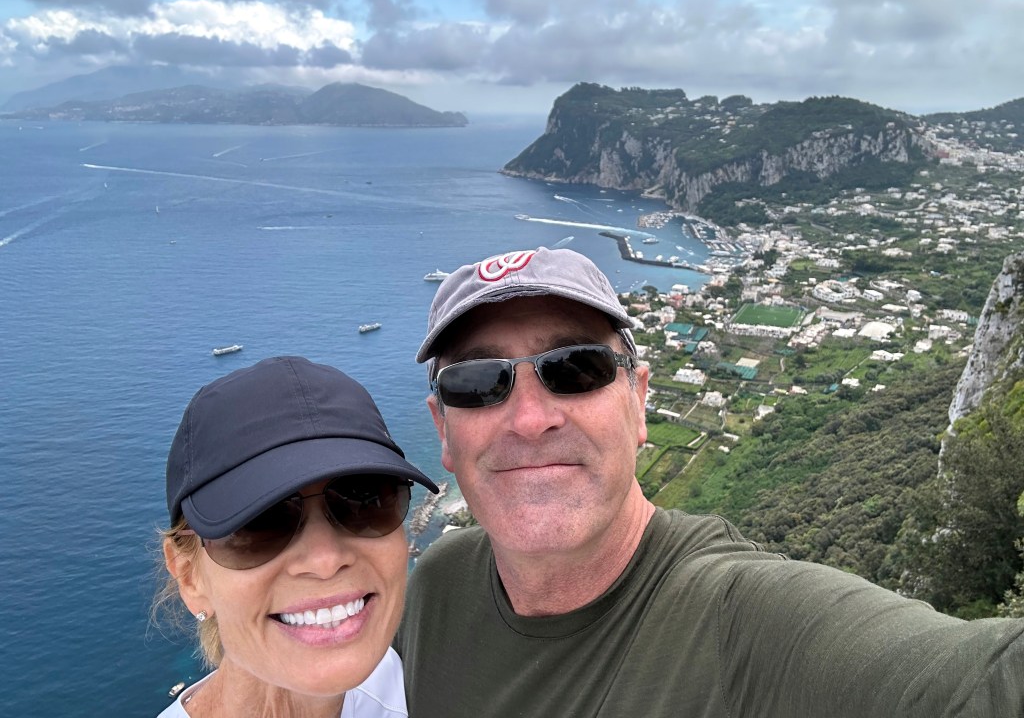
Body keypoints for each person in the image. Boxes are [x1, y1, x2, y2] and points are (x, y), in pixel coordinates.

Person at [395, 246, 1024, 717]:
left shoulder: (744, 622)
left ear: (639, 402)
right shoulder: (435, 585)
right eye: (476, 382)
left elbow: (983, 682)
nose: (531, 419)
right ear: (444, 430)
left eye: (576, 369)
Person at [154, 355, 438, 718]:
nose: (325, 561)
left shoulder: (428, 682)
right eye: (259, 522)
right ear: (189, 577)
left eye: (365, 500)